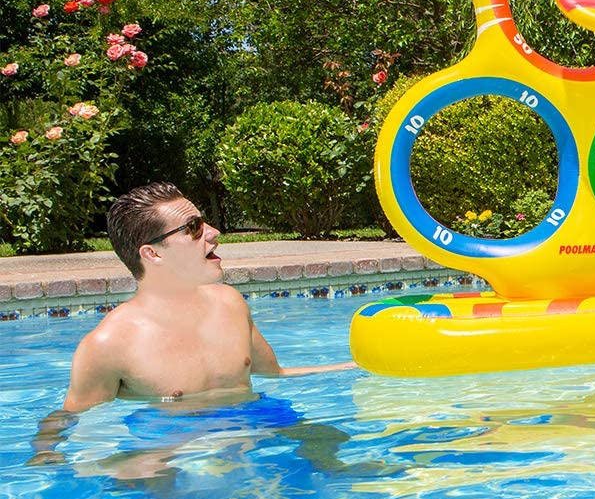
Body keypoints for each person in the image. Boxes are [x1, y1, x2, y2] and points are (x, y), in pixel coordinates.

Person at [31, 182, 356, 463]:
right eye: (193, 228)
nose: (214, 233)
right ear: (153, 254)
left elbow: (276, 374)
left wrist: (354, 367)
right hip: (171, 437)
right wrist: (46, 453)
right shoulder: (109, 344)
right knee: (143, 476)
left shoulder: (230, 303)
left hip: (254, 418)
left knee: (329, 440)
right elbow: (71, 415)